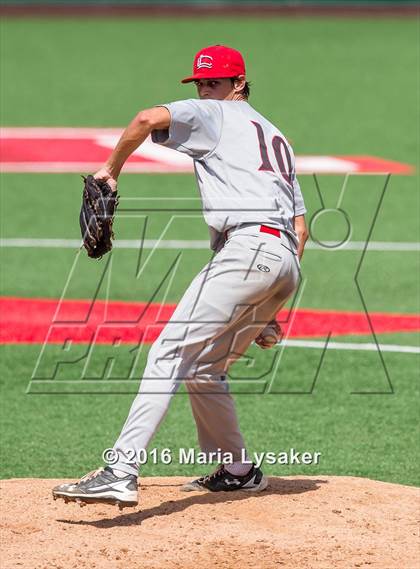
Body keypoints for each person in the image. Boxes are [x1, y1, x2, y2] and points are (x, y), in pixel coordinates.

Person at [53, 45, 308, 509]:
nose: (207, 91)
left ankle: (120, 470)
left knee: (168, 352)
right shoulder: (276, 136)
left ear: (239, 84)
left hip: (248, 252)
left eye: (215, 83)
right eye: (202, 84)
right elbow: (301, 227)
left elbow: (146, 120)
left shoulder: (213, 114)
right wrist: (271, 305)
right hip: (283, 262)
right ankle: (238, 470)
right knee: (205, 369)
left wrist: (110, 169)